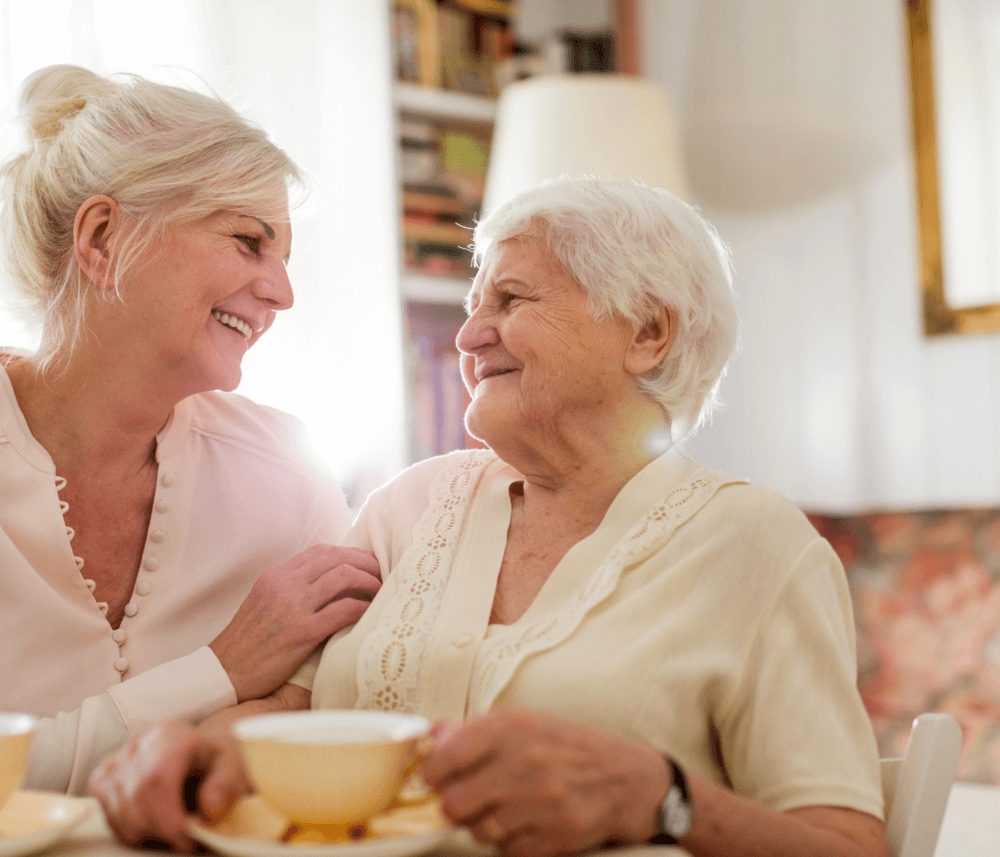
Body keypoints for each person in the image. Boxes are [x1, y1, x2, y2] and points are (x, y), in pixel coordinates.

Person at [91, 178, 890, 857]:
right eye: (476, 304)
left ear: (648, 332)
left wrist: (664, 797)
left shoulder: (757, 544)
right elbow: (284, 720)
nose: (469, 336)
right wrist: (192, 753)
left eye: (511, 298)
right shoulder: (409, 505)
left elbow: (845, 843)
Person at [0, 65, 382, 795]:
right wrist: (224, 672)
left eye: (285, 259)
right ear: (103, 238)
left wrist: (261, 716)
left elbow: (351, 706)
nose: (283, 291)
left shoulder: (287, 473)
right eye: (247, 241)